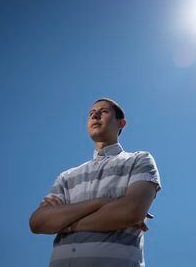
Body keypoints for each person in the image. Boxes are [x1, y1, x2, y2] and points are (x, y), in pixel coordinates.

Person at [29, 98, 162, 267]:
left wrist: (65, 224)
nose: (96, 115)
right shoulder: (67, 176)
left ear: (121, 123)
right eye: (91, 113)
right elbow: (38, 222)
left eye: (104, 111)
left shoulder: (139, 160)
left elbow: (131, 212)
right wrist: (101, 202)